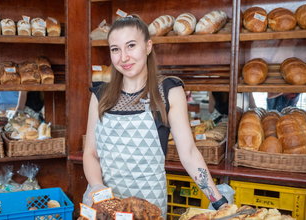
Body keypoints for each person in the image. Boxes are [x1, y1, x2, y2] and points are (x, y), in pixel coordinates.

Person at [82, 15, 227, 217]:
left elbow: (189, 154)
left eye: (131, 46)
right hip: (108, 208)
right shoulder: (100, 95)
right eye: (115, 49)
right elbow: (90, 153)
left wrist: (218, 200)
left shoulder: (168, 91)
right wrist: (97, 188)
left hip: (150, 209)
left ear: (148, 46)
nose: (123, 57)